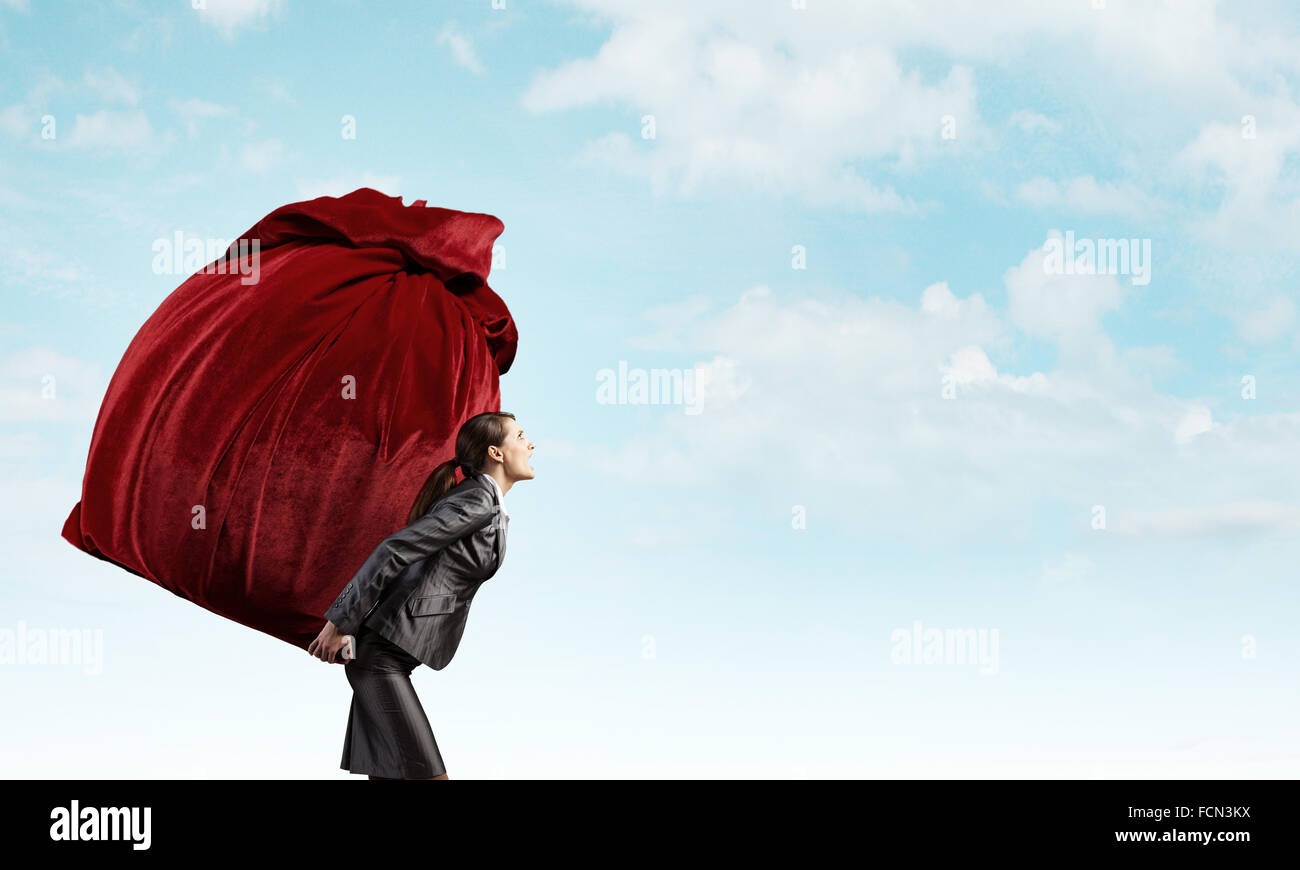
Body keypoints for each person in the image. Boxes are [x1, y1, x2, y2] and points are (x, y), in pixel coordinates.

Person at [307, 411, 535, 779]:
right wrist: (339, 622)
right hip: (380, 660)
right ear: (496, 452)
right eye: (521, 436)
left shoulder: (483, 501)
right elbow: (394, 550)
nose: (531, 444)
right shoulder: (476, 500)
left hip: (389, 657)